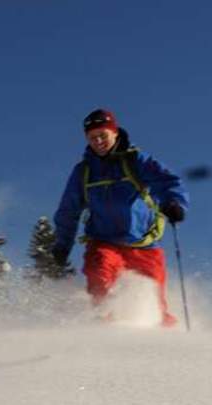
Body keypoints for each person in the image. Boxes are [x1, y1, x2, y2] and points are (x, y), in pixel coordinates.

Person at [51, 109, 189, 326]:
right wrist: (62, 244)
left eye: (102, 135)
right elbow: (69, 210)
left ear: (114, 133)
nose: (98, 141)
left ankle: (166, 340)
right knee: (100, 278)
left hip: (144, 244)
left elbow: (168, 182)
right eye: (92, 137)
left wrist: (174, 203)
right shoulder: (84, 171)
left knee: (153, 298)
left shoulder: (136, 161)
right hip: (104, 242)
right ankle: (105, 326)